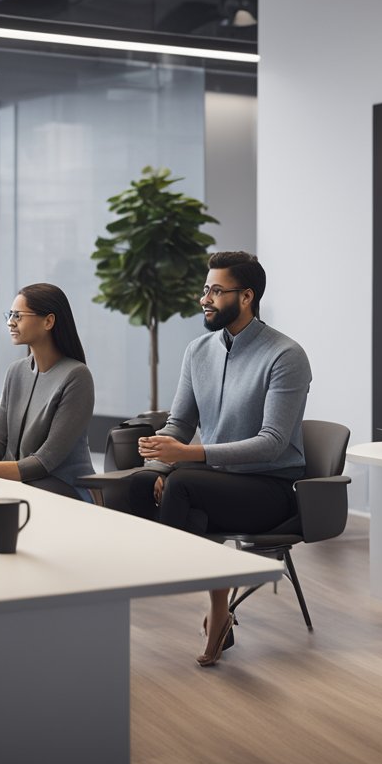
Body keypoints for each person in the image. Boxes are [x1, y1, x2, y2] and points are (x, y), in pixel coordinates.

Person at [130, 251, 311, 667]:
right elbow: (179, 422)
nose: (204, 299)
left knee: (184, 485)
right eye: (205, 290)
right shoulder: (198, 350)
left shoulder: (285, 355)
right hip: (215, 479)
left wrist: (185, 458)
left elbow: (272, 442)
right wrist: (160, 459)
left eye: (215, 290)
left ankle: (165, 573)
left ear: (246, 296)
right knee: (141, 481)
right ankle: (216, 608)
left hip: (271, 488)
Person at [0, 283, 95, 499]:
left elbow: (44, 462)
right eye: (10, 315)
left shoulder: (77, 376)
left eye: (18, 316)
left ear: (48, 321)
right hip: (20, 484)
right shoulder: (16, 371)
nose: (10, 322)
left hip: (63, 489)